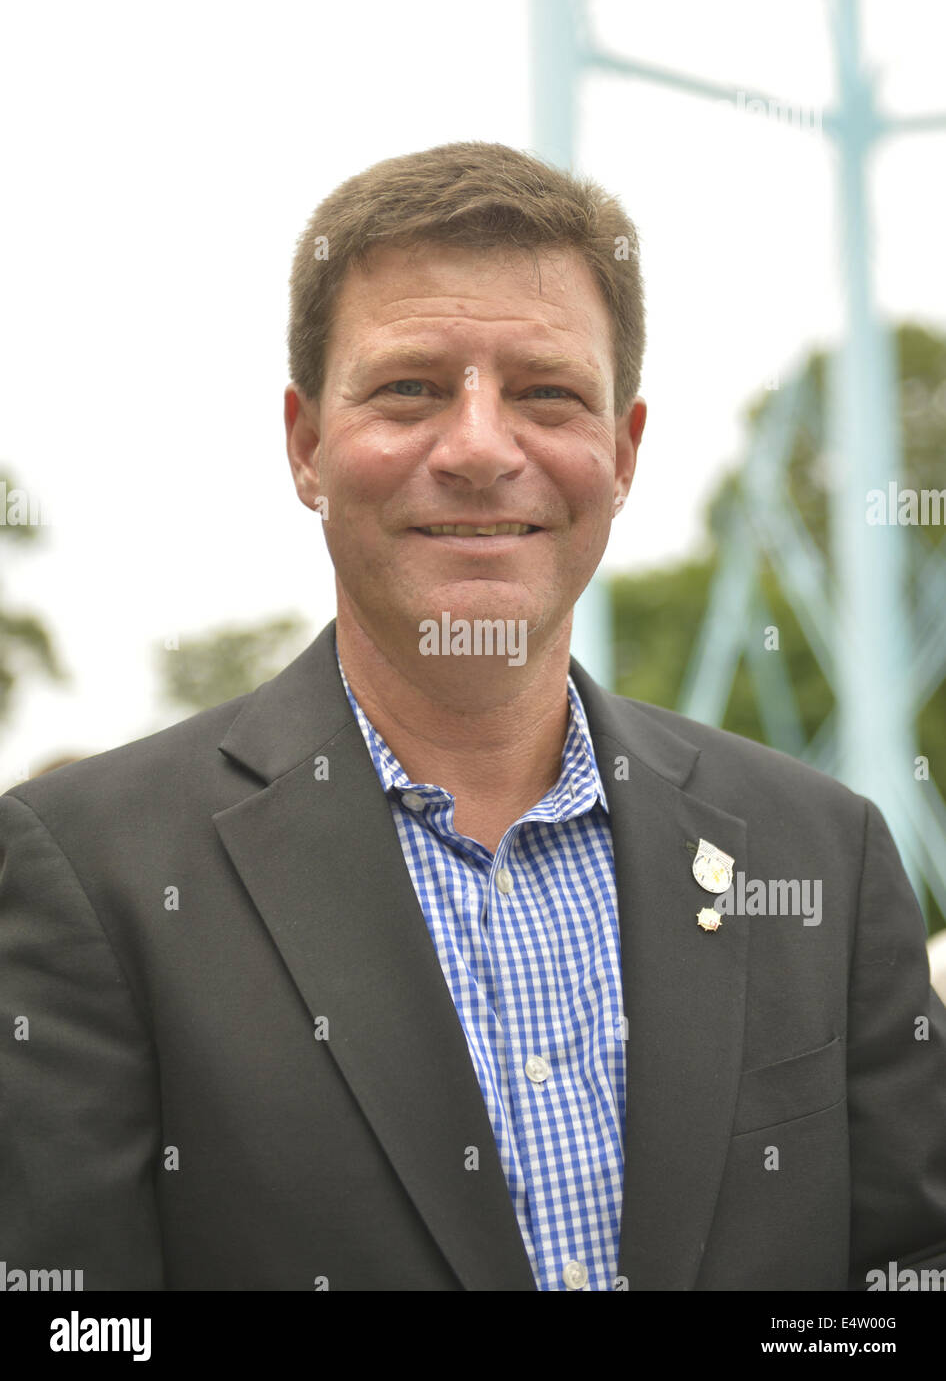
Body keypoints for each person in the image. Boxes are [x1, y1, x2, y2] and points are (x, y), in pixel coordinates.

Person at [2, 141, 945, 1293]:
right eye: (410, 388)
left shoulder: (823, 855)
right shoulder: (91, 875)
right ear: (305, 444)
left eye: (546, 393)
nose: (482, 449)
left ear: (623, 449)